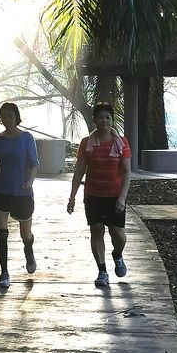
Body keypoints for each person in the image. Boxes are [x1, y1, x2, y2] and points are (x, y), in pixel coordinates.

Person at [0, 102, 39, 290]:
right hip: (1, 190)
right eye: (4, 116)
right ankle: (4, 273)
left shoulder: (27, 138)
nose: (7, 119)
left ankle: (29, 250)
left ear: (16, 118)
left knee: (25, 234)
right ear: (0, 118)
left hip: (22, 193)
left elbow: (34, 163)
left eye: (11, 116)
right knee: (2, 232)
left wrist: (30, 181)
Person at [68, 101, 132, 287]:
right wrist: (72, 197)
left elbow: (126, 172)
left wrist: (122, 197)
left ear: (112, 120)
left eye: (108, 117)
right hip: (93, 195)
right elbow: (79, 170)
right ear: (94, 120)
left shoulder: (121, 143)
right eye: (101, 117)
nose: (104, 120)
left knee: (118, 234)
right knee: (96, 231)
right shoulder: (86, 143)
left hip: (115, 196)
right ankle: (102, 271)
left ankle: (117, 255)